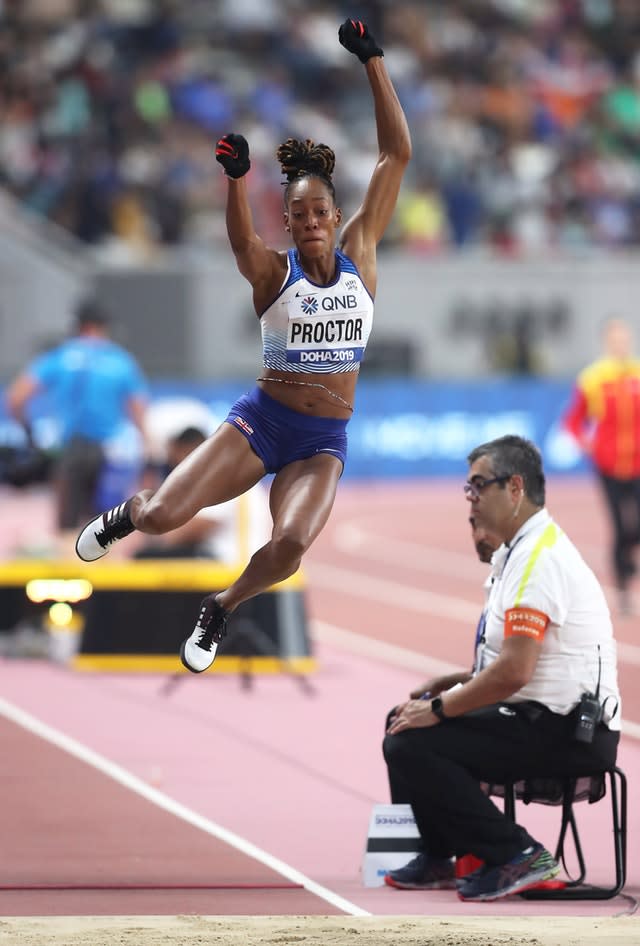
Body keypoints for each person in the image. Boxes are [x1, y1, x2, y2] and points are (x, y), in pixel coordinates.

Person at [74, 18, 412, 674]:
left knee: (289, 547)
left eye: (321, 214)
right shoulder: (272, 272)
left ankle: (222, 607)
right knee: (163, 516)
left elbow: (395, 157)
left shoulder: (361, 258)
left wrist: (373, 61)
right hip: (260, 424)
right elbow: (239, 244)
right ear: (287, 222)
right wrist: (234, 180)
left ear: (337, 218)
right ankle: (126, 515)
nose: (312, 225)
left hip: (322, 443)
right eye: (299, 216)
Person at [383, 435, 621, 902]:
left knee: (412, 740)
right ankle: (438, 856)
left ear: (514, 488)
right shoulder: (516, 552)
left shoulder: (540, 559)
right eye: (467, 490)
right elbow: (507, 662)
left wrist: (442, 708)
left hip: (568, 733)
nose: (470, 499)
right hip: (539, 718)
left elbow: (514, 673)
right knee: (404, 720)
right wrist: (453, 684)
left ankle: (519, 854)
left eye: (477, 487)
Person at [5, 298, 148, 555]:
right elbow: (138, 411)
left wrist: (29, 433)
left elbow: (16, 398)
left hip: (68, 451)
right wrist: (146, 448)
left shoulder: (57, 358)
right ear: (103, 327)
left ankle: (68, 582)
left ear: (77, 326)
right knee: (107, 528)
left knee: (67, 527)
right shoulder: (120, 361)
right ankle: (108, 585)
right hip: (109, 454)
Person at [563, 317, 640, 615]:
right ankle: (623, 586)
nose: (620, 344)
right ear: (606, 342)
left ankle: (628, 564)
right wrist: (587, 444)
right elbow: (573, 421)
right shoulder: (593, 378)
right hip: (608, 465)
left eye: (624, 338)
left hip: (638, 463)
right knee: (620, 526)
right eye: (615, 339)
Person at [134, 426, 271, 562]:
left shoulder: (221, 478)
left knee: (145, 557)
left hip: (230, 564)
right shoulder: (231, 473)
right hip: (234, 561)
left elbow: (179, 535)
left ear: (188, 451)